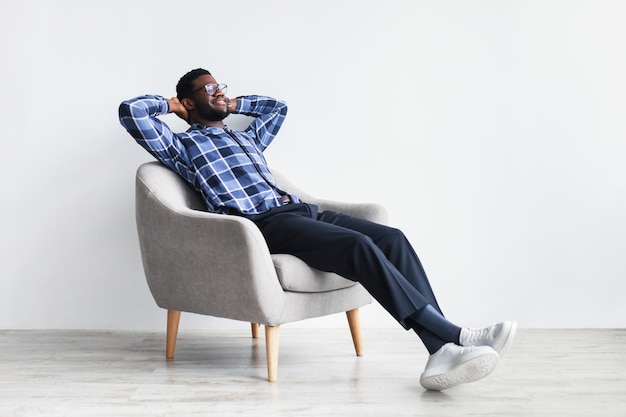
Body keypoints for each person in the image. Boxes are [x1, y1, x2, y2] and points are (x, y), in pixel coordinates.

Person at [119, 68, 517, 391]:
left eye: (221, 86)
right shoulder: (181, 147)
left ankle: (439, 349)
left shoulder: (246, 139)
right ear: (189, 102)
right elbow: (130, 112)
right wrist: (173, 106)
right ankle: (453, 336)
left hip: (301, 212)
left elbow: (278, 108)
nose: (220, 92)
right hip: (263, 224)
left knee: (392, 238)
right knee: (357, 246)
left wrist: (230, 101)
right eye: (210, 90)